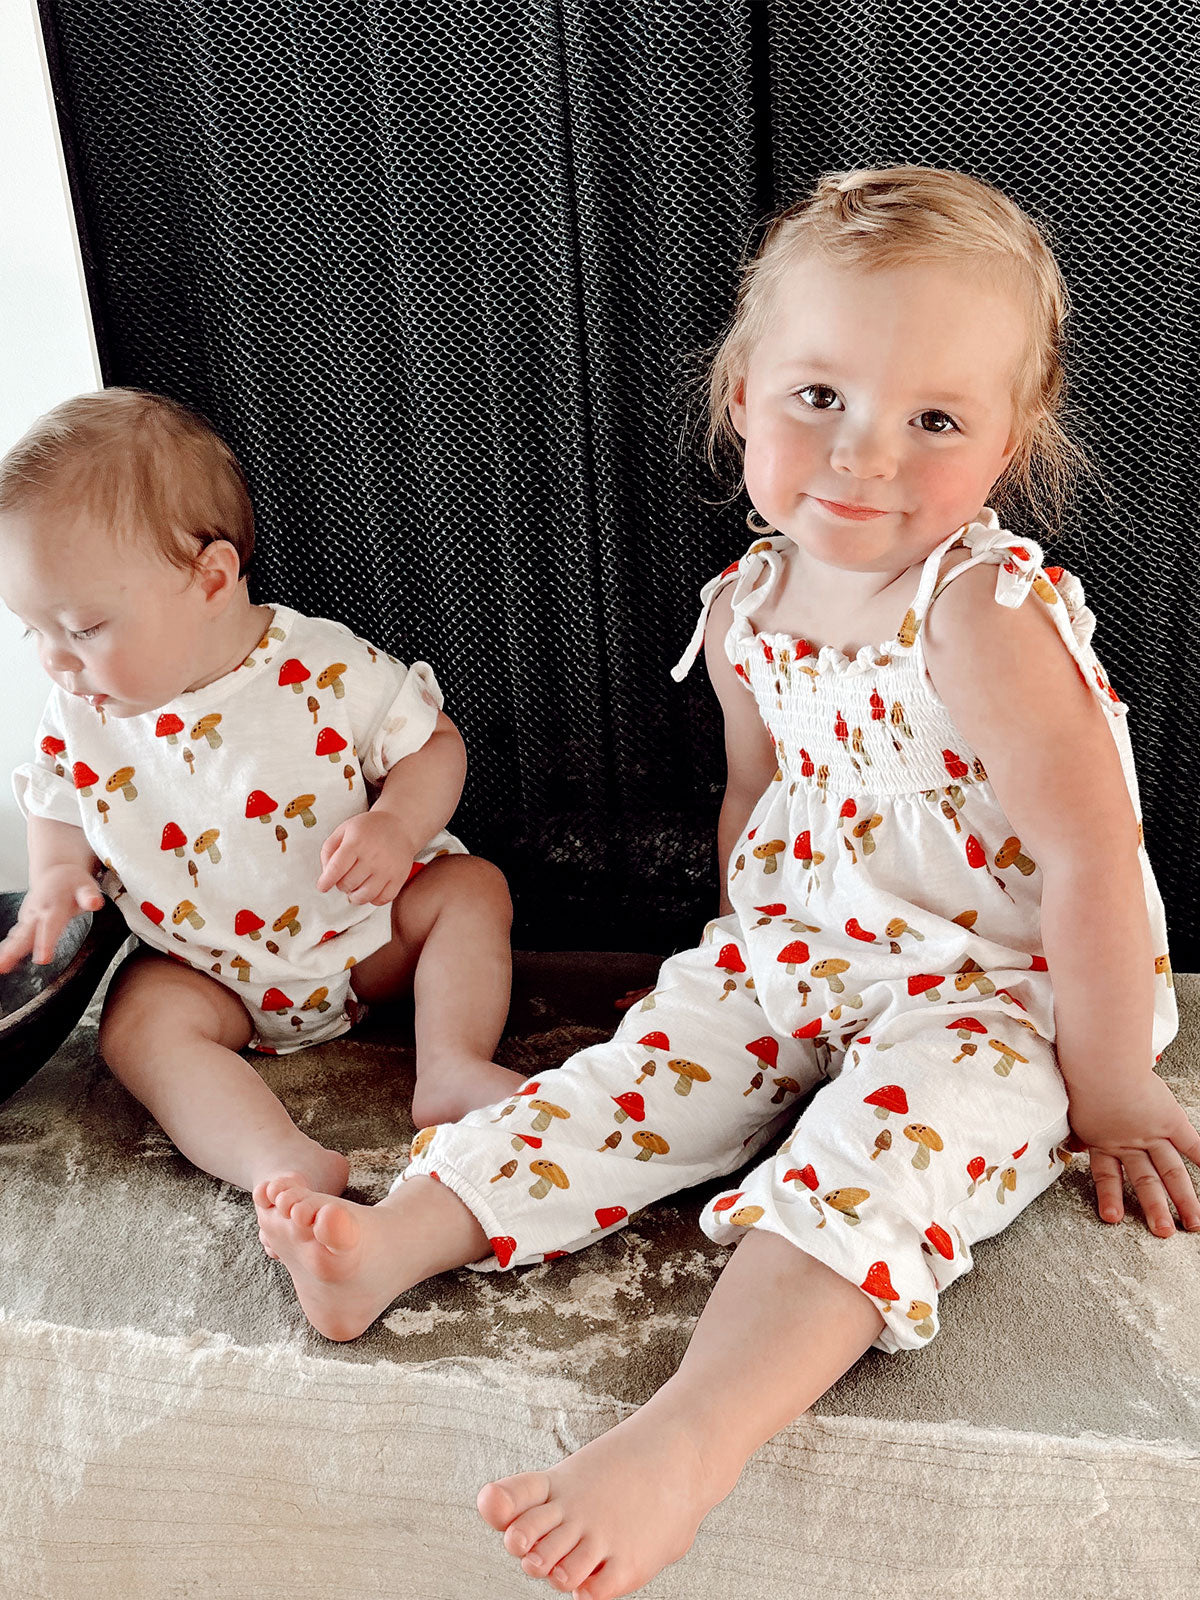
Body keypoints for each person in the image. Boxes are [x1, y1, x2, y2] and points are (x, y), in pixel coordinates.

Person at [254, 167, 1200, 1600]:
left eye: (934, 421)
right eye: (820, 396)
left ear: (1007, 445)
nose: (863, 456)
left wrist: (1112, 1088)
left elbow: (1089, 857)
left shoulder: (983, 614)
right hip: (808, 939)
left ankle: (688, 1439)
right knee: (632, 1077)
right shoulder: (749, 604)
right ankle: (396, 1240)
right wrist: (738, 965)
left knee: (877, 1168)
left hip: (997, 987)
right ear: (745, 394)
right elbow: (759, 797)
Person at [0, 389, 522, 1198]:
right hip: (206, 971)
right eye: (34, 631)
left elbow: (432, 742)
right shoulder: (81, 709)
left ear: (211, 579)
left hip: (368, 940)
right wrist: (57, 873)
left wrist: (396, 823)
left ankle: (450, 1064)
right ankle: (270, 1158)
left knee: (473, 890)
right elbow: (57, 797)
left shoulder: (324, 667)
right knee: (135, 1026)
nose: (55, 663)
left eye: (84, 628)